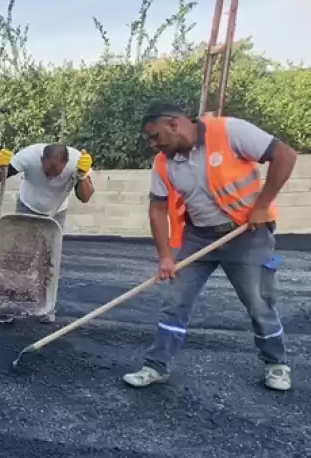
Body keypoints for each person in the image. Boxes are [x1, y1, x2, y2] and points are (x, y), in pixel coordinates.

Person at [123, 102, 298, 391]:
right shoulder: (163, 162)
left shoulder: (230, 131)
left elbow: (285, 155)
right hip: (198, 236)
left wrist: (262, 205)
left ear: (173, 123)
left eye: (155, 136)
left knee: (259, 302)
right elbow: (157, 209)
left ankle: (276, 364)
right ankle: (155, 365)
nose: (152, 144)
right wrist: (165, 256)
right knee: (175, 301)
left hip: (246, 235)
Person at [0, 142, 95, 322]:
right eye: (47, 171)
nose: (52, 176)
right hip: (27, 206)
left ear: (66, 163)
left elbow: (85, 197)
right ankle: (7, 305)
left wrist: (83, 176)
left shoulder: (77, 161)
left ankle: (44, 306)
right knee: (19, 257)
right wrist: (0, 166)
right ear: (41, 160)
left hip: (56, 210)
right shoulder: (28, 156)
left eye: (57, 172)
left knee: (49, 259)